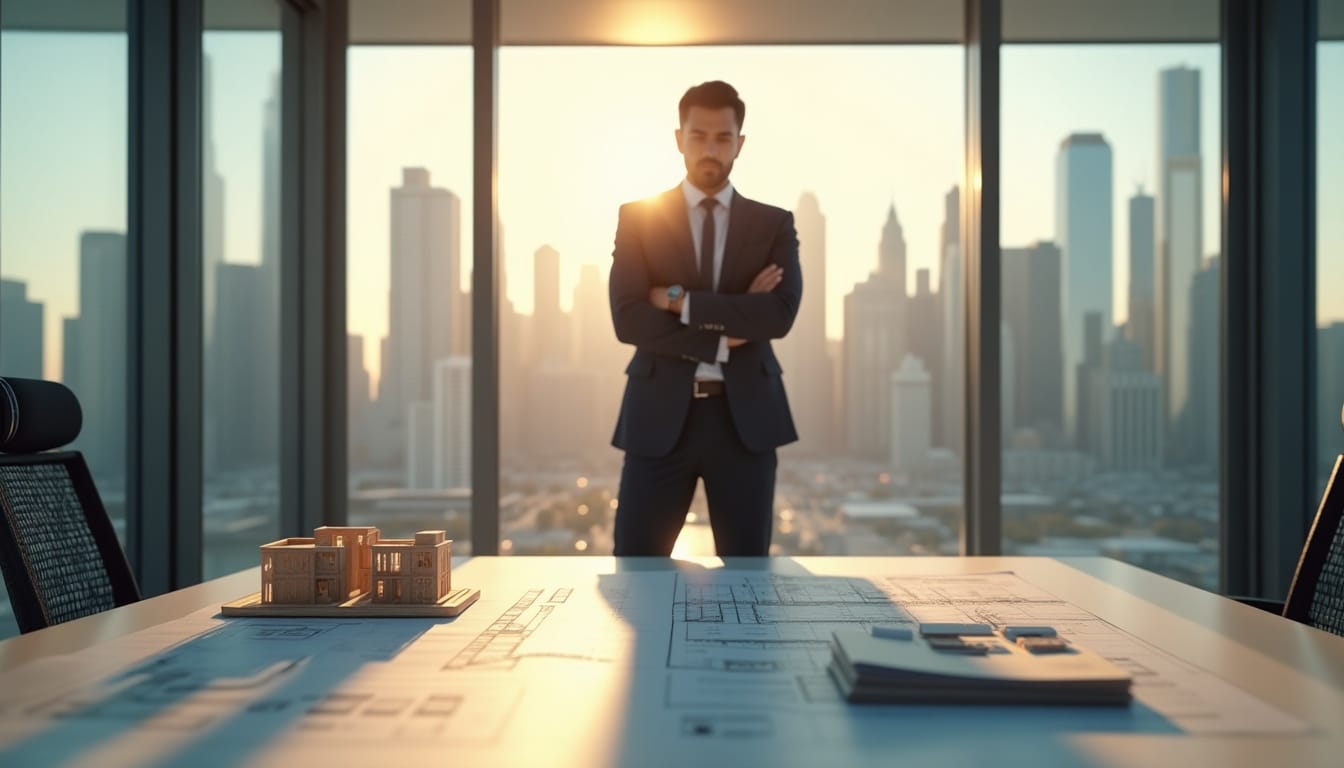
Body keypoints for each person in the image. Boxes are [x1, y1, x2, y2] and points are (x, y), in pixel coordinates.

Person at [608, 80, 802, 557]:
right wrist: (725, 333)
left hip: (745, 423)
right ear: (680, 139)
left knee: (746, 574)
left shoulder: (773, 224)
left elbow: (777, 316)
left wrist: (679, 301)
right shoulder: (639, 218)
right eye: (698, 136)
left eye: (722, 137)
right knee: (637, 569)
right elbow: (628, 318)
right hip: (658, 419)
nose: (710, 149)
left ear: (740, 143)